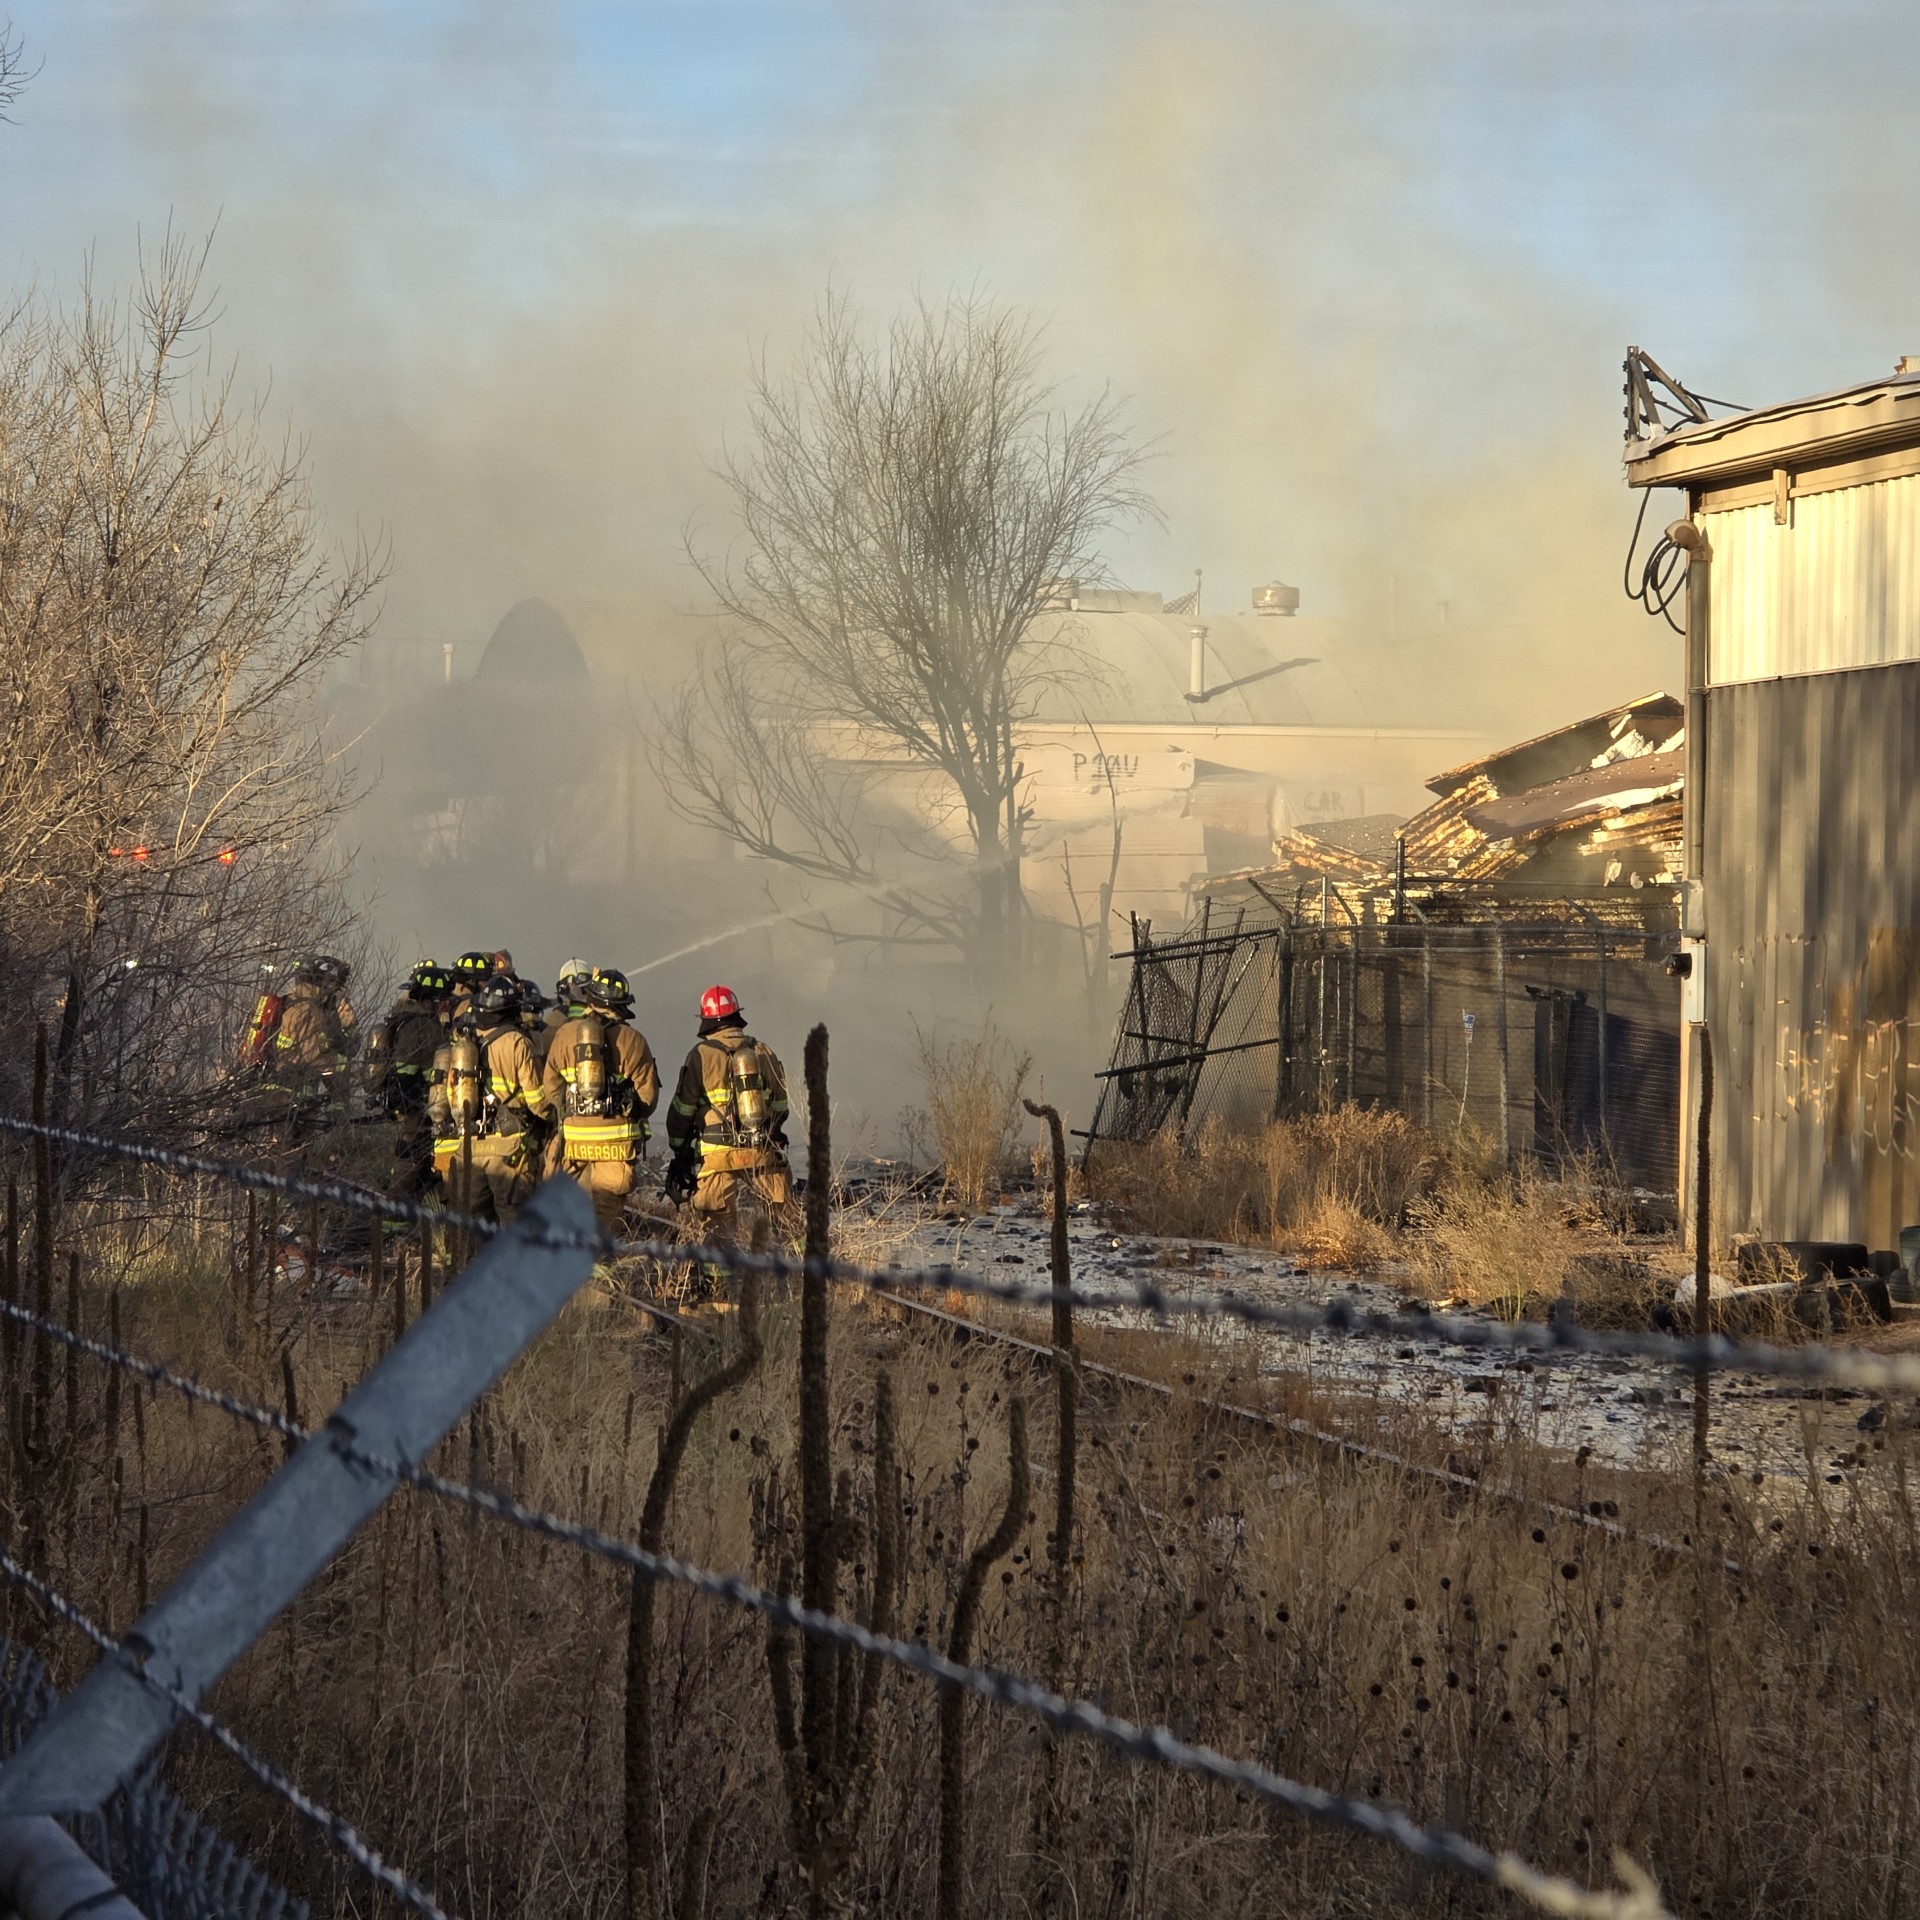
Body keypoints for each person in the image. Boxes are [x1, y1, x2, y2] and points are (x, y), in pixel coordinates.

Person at [664, 985, 792, 1243]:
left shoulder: (700, 1055)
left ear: (706, 1019)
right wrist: (771, 1130)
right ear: (736, 1015)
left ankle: (717, 1270)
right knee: (788, 1216)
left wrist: (680, 1151)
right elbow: (781, 1104)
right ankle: (803, 1262)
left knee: (717, 1227)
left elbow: (682, 1110)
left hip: (718, 1153)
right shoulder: (762, 1051)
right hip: (760, 1147)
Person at [542, 966, 660, 1233]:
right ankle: (600, 1260)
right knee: (606, 1216)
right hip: (615, 1144)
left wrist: (570, 1111)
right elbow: (648, 1097)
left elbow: (551, 1086)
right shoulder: (634, 1040)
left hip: (574, 1141)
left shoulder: (565, 1034)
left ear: (591, 999)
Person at [430, 972, 552, 1222]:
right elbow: (537, 1100)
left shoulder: (465, 1042)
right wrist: (555, 1116)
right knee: (513, 1217)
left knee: (473, 1222)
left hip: (470, 1147)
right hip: (508, 1148)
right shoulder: (516, 1042)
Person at [365, 960, 453, 1195]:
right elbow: (407, 1066)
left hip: (407, 1102)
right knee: (410, 1156)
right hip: (414, 1105)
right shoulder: (423, 1025)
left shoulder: (404, 1016)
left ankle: (403, 1202)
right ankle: (394, 1207)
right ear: (431, 1000)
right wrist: (414, 1098)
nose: (444, 1005)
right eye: (441, 1000)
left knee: (413, 1156)